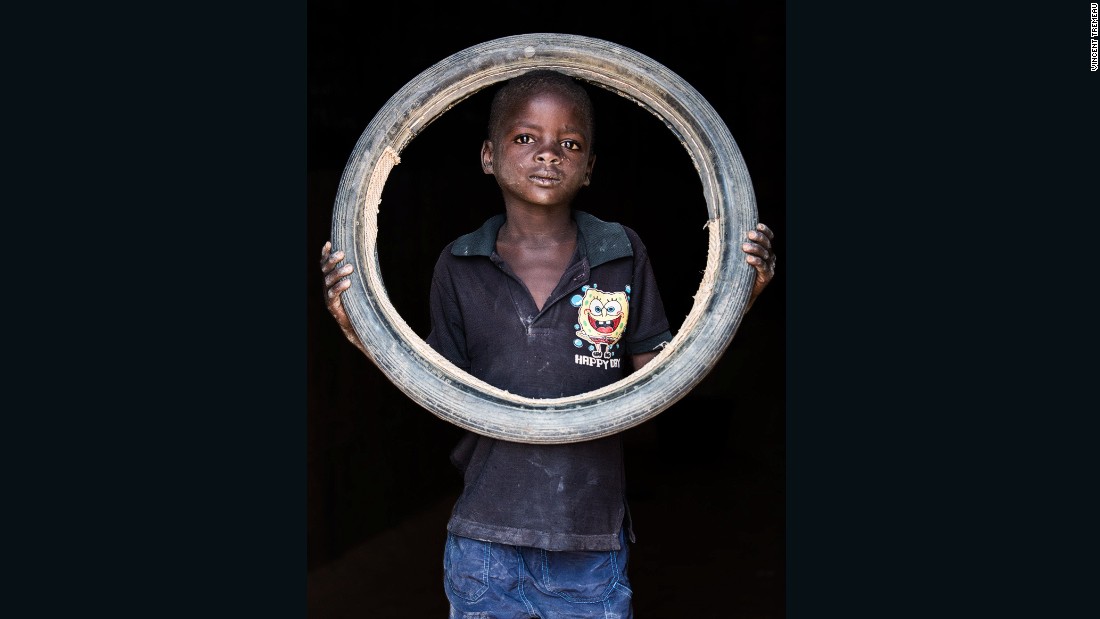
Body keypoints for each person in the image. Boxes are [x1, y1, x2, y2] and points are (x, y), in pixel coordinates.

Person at [320, 70, 776, 618]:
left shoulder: (620, 251)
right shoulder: (459, 262)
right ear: (488, 156)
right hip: (485, 540)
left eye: (570, 143)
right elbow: (435, 388)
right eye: (524, 137)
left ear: (589, 168)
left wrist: (737, 299)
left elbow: (663, 379)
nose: (548, 153)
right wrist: (359, 331)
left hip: (590, 539)